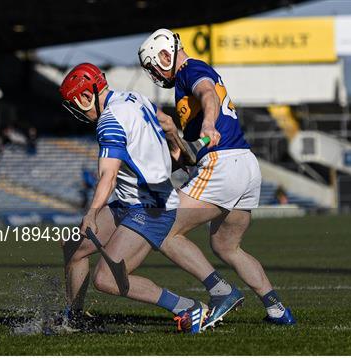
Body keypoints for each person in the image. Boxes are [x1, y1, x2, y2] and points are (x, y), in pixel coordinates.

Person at [138, 29, 295, 325]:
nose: (154, 73)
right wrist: (176, 148)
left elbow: (207, 92)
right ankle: (277, 310)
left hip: (223, 163)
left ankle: (221, 291)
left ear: (165, 54)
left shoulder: (189, 70)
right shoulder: (184, 82)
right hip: (245, 165)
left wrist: (209, 124)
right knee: (226, 246)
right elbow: (191, 150)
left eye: (153, 65)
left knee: (164, 230)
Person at [60, 63, 211, 334]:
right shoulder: (134, 97)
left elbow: (108, 175)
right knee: (75, 247)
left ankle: (187, 307)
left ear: (85, 96)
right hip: (131, 201)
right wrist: (180, 151)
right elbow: (166, 122)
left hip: (152, 207)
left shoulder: (108, 121)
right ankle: (74, 317)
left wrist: (91, 214)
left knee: (108, 279)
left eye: (77, 105)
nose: (79, 113)